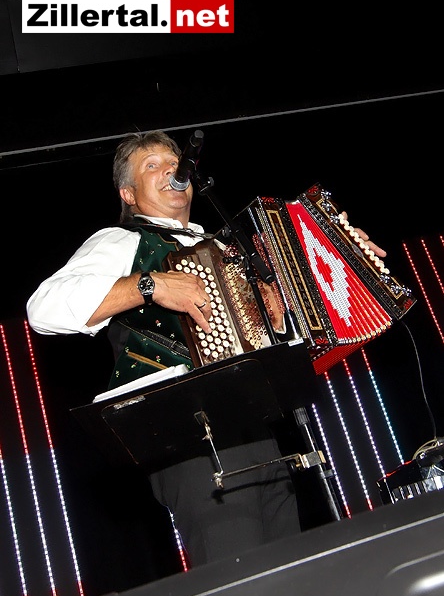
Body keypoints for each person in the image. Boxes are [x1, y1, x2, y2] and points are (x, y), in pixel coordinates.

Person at [27, 129, 387, 568]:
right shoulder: (121, 241)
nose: (171, 170)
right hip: (191, 440)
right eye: (152, 166)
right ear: (129, 194)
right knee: (237, 585)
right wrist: (150, 284)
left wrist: (334, 257)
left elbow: (279, 342)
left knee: (289, 579)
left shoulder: (223, 247)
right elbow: (43, 309)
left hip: (260, 431)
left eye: (174, 162)